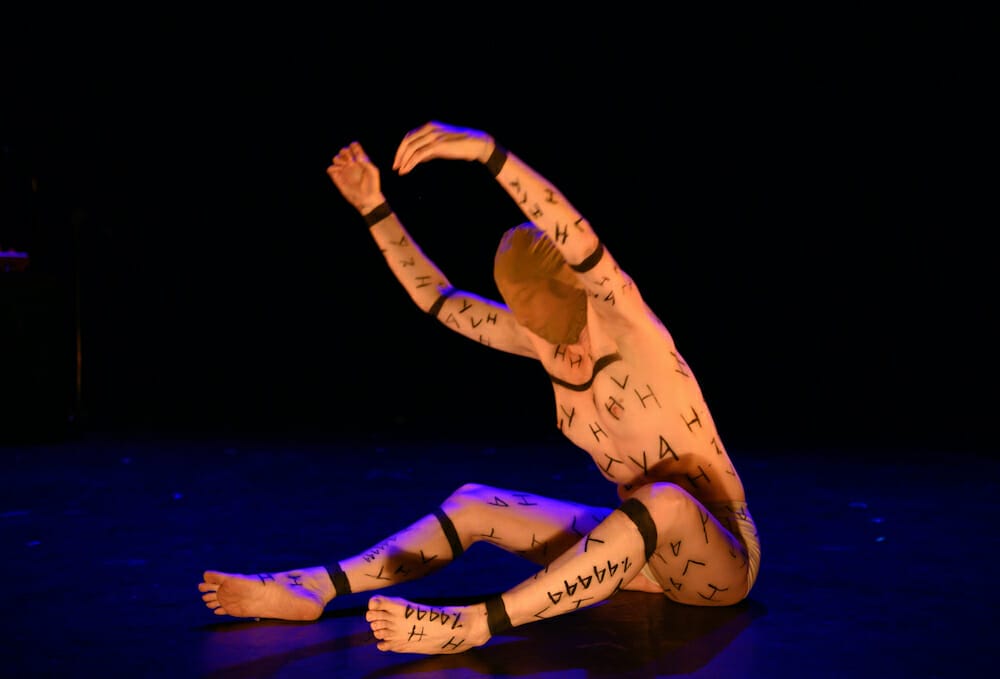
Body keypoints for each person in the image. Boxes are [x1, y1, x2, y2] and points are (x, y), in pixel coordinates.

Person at [198, 121, 760, 655]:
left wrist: (488, 154)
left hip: (720, 560)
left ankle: (475, 624)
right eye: (537, 325)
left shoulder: (634, 331)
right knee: (472, 503)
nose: (556, 346)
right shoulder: (538, 338)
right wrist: (375, 208)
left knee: (663, 500)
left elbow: (579, 236)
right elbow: (439, 299)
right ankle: (316, 587)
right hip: (642, 561)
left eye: (556, 322)